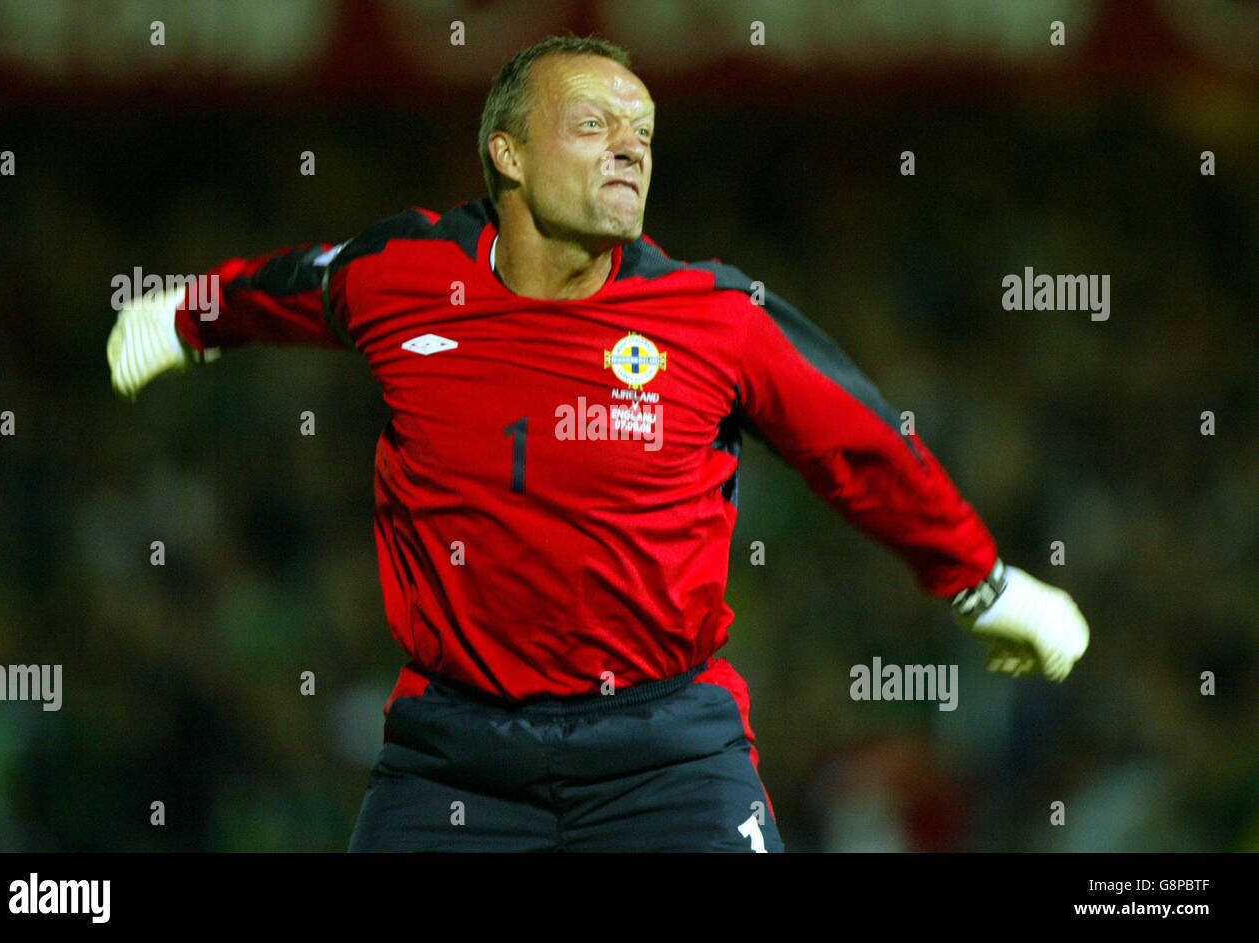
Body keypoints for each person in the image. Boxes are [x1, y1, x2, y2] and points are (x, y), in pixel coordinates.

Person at [106, 35, 1089, 852]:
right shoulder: (405, 275)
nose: (629, 148)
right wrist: (190, 316)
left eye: (643, 133)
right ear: (506, 154)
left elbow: (863, 445)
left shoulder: (714, 317)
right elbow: (292, 284)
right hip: (453, 758)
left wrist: (983, 583)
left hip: (666, 755)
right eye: (593, 125)